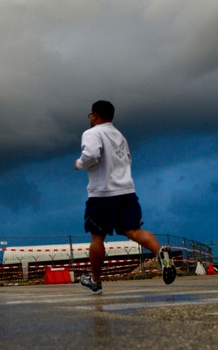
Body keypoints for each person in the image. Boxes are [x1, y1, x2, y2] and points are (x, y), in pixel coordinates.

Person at [74, 100, 174, 294]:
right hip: (127, 191)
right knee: (134, 231)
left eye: (91, 115)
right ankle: (160, 253)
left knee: (97, 238)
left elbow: (92, 155)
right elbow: (128, 159)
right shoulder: (120, 136)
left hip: (102, 194)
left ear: (95, 115)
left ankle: (95, 281)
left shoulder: (92, 133)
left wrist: (79, 163)